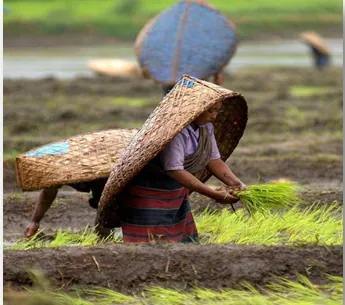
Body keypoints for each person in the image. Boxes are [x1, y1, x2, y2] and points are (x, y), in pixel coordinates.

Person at [116, 99, 246, 243]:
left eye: (217, 110)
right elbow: (174, 169)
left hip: (175, 189)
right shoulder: (175, 131)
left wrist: (238, 184)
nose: (214, 116)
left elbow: (213, 160)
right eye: (210, 110)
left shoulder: (205, 128)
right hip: (150, 188)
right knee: (149, 242)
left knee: (180, 240)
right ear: (195, 109)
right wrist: (213, 194)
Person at [24, 178, 107, 238]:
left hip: (106, 178)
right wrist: (35, 221)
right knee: (102, 208)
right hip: (83, 173)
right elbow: (50, 189)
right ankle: (105, 243)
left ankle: (106, 241)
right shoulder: (61, 165)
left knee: (104, 207)